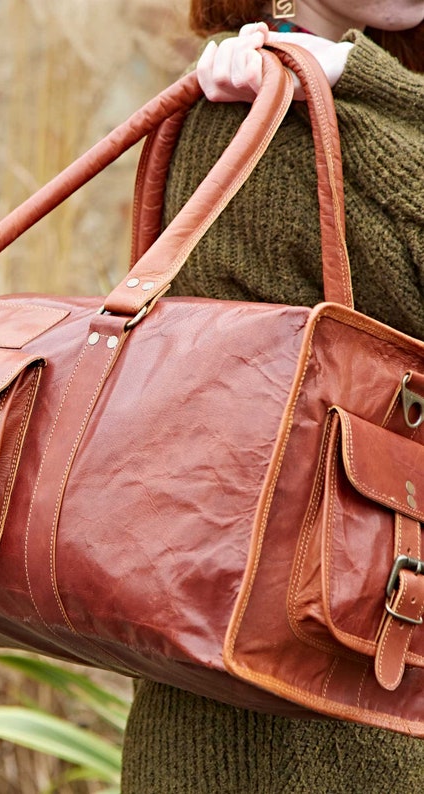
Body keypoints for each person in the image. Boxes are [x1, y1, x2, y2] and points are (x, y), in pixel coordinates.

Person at [121, 2, 424, 792]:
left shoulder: (356, 94)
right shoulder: (264, 113)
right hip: (317, 719)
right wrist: (355, 83)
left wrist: (362, 77)